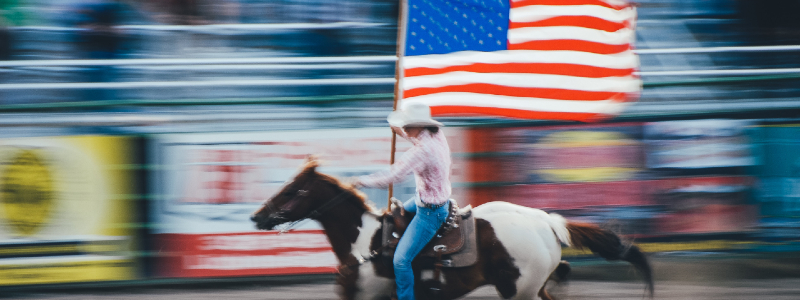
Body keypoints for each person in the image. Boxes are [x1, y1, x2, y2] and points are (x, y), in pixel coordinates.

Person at [349, 102, 452, 300]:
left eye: (407, 125)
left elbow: (392, 176)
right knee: (391, 220)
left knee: (401, 260)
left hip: (430, 212)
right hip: (429, 199)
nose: (404, 129)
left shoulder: (421, 152)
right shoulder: (436, 135)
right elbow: (409, 133)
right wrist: (397, 127)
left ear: (420, 125)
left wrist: (360, 181)